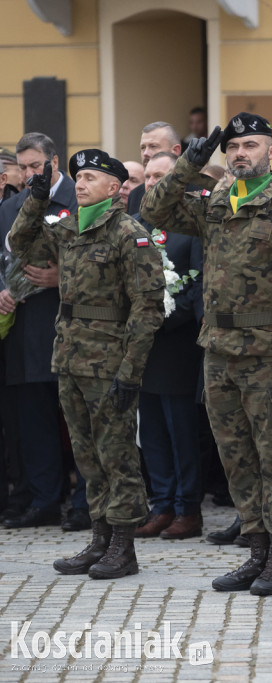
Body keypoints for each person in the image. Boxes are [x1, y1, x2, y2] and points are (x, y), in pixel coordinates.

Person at [141, 112, 272, 596]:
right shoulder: (214, 201)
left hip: (269, 352)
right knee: (236, 458)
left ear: (271, 150)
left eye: (251, 145)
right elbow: (154, 210)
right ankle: (257, 551)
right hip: (219, 350)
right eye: (234, 147)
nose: (241, 153)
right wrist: (188, 162)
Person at [10, 149, 165, 578]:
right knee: (87, 454)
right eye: (77, 177)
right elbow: (22, 244)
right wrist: (36, 200)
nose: (80, 184)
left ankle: (123, 545)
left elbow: (148, 308)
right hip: (71, 357)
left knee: (117, 455)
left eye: (91, 178)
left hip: (110, 361)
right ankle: (99, 538)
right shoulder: (69, 227)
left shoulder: (128, 233)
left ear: (114, 189)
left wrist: (131, 370)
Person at [0, 132, 88, 532]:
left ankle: (87, 502)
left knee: (79, 419)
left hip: (70, 322)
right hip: (24, 328)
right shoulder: (13, 206)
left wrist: (61, 278)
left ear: (55, 162)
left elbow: (98, 260)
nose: (30, 173)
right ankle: (45, 499)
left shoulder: (79, 197)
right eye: (23, 168)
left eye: (36, 166)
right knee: (34, 418)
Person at [134, 151, 205, 541]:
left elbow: (196, 285)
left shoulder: (190, 224)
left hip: (178, 344)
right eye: (147, 176)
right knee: (154, 430)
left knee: (180, 431)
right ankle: (161, 504)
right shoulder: (139, 223)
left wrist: (163, 316)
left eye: (159, 175)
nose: (151, 182)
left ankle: (187, 508)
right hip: (146, 346)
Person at [127, 122, 183, 215]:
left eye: (153, 146)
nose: (145, 153)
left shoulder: (197, 190)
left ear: (175, 150)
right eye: (143, 147)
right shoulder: (135, 195)